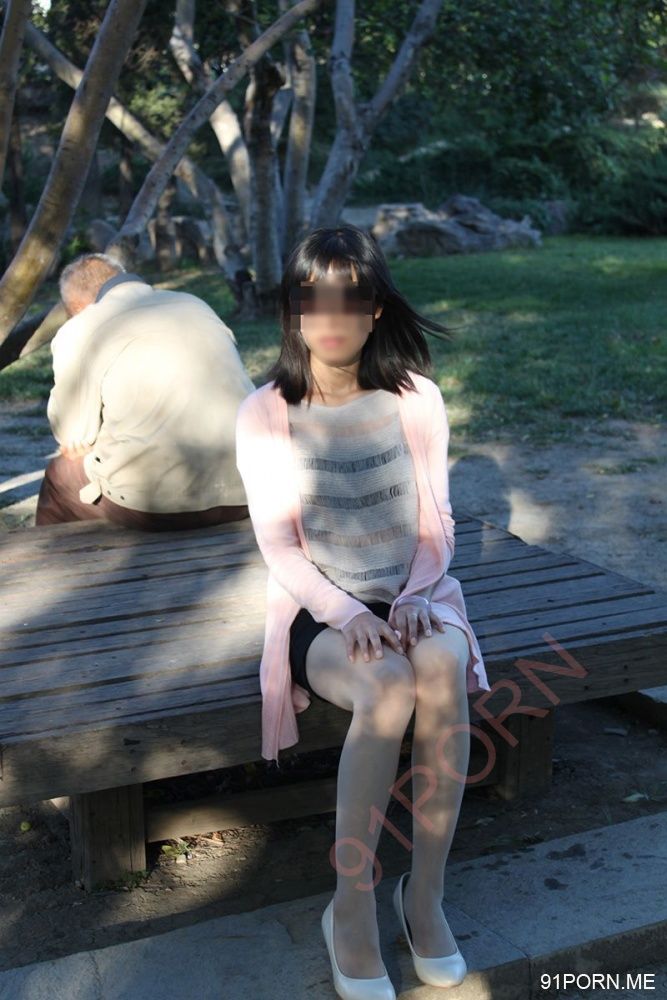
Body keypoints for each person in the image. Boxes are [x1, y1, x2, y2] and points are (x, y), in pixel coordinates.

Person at [235, 225, 491, 998]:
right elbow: (279, 547)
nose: (331, 317)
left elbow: (435, 523)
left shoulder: (416, 399)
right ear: (293, 310)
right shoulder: (265, 411)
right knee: (385, 688)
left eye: (351, 298)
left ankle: (424, 896)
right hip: (319, 608)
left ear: (376, 308)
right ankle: (349, 908)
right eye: (313, 299)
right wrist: (347, 613)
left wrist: (412, 596)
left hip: (415, 592)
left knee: (438, 670)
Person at [36, 253, 255, 531]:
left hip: (159, 506)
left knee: (60, 475)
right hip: (249, 488)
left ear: (77, 307)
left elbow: (72, 435)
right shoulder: (193, 303)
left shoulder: (82, 326)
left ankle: (51, 557)